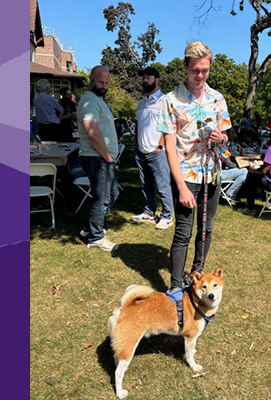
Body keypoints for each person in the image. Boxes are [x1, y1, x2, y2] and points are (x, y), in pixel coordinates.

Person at [157, 41, 231, 300]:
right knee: (183, 231)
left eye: (205, 70)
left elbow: (226, 139)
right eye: (195, 70)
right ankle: (176, 287)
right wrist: (180, 187)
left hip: (211, 174)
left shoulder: (217, 99)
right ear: (186, 67)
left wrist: (221, 137)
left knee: (206, 228)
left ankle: (197, 276)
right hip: (186, 176)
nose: (200, 76)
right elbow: (169, 147)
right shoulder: (169, 101)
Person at [77, 66, 121, 251]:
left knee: (113, 194)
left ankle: (89, 229)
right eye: (101, 82)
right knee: (102, 197)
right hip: (97, 158)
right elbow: (92, 133)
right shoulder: (89, 101)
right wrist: (108, 158)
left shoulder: (97, 100)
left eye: (107, 83)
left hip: (102, 157)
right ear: (91, 80)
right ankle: (96, 237)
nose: (104, 86)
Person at [130, 66, 174, 230]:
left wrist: (160, 145)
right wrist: (136, 144)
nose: (144, 80)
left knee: (162, 185)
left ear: (157, 80)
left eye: (148, 77)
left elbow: (169, 126)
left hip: (157, 151)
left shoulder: (164, 101)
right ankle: (149, 212)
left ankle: (167, 216)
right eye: (143, 78)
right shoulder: (141, 103)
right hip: (141, 151)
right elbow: (138, 124)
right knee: (145, 184)